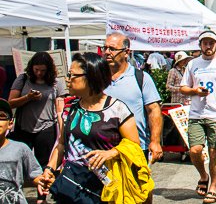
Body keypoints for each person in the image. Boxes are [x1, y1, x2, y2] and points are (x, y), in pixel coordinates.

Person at [38, 52, 152, 204]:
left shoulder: (117, 109)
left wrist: (110, 153)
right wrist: (49, 170)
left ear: (91, 77)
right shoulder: (69, 108)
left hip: (106, 188)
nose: (67, 79)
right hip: (72, 185)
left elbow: (134, 145)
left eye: (72, 75)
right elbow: (61, 144)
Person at [179, 30, 216, 204]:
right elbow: (183, 87)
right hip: (196, 114)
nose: (208, 46)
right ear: (200, 45)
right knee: (195, 150)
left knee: (214, 152)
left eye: (211, 43)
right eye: (205, 43)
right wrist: (194, 91)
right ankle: (203, 175)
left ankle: (213, 187)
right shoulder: (193, 64)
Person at [8, 52, 66, 204]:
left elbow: (60, 108)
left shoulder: (56, 83)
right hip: (24, 127)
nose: (39, 73)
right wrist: (28, 98)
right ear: (31, 68)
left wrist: (62, 131)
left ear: (49, 70)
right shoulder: (23, 79)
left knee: (44, 165)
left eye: (42, 70)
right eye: (36, 70)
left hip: (46, 127)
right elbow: (10, 103)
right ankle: (15, 194)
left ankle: (41, 198)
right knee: (19, 162)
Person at [102, 33, 163, 168]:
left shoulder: (141, 78)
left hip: (135, 147)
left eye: (112, 49)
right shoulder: (98, 79)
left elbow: (154, 110)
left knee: (137, 187)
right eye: (104, 48)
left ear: (126, 52)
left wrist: (155, 141)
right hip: (104, 149)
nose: (106, 52)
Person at [0, 98, 45, 204]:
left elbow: (35, 175)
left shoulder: (20, 149)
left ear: (10, 123)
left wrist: (44, 181)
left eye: (1, 116)